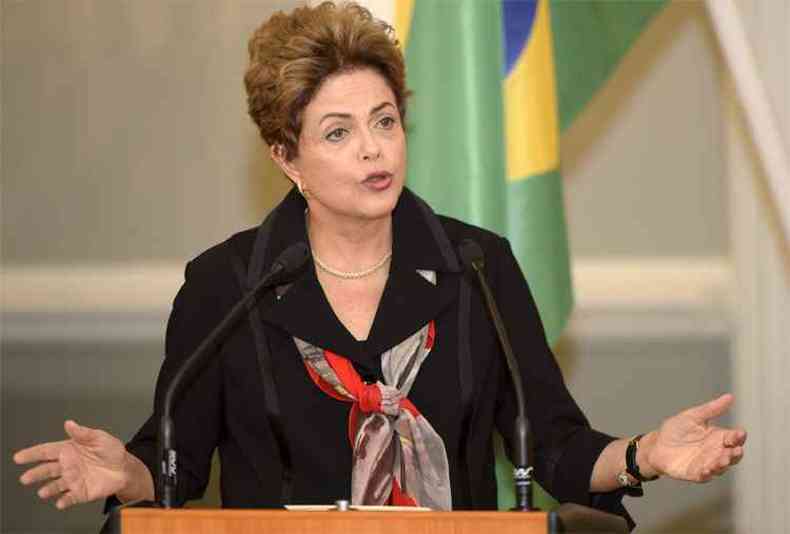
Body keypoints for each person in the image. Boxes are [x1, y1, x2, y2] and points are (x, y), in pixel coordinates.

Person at [13, 1, 745, 527]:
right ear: (286, 157)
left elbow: (552, 447)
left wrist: (646, 453)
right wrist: (128, 473)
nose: (373, 149)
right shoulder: (227, 287)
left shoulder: (476, 268)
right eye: (338, 132)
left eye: (385, 121)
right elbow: (174, 463)